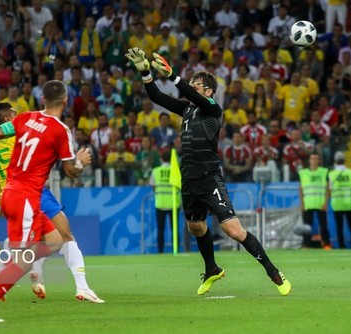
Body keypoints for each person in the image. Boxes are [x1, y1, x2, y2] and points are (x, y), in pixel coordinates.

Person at [125, 47, 291, 296]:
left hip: (209, 177)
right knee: (196, 228)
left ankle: (274, 272)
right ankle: (212, 269)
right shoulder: (187, 110)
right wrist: (146, 72)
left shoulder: (212, 108)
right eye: (191, 83)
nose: (192, 86)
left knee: (233, 230)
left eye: (197, 84)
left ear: (209, 91)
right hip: (189, 178)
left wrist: (173, 76)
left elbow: (194, 96)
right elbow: (158, 98)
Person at [0, 80, 92, 322]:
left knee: (56, 240)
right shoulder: (60, 130)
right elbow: (70, 171)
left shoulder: (25, 118)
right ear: (65, 100)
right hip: (25, 197)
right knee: (24, 262)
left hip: (16, 195)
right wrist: (81, 161)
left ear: (42, 99)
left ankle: (6, 265)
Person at [149, 151, 180, 253]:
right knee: (174, 229)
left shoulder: (156, 171)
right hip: (174, 203)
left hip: (160, 202)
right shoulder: (175, 171)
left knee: (160, 229)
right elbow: (180, 186)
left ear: (161, 159)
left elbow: (152, 185)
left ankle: (160, 251)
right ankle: (176, 250)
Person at [298, 153, 331, 249]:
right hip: (308, 203)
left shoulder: (324, 172)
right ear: (309, 160)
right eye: (312, 159)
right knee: (307, 226)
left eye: (316, 159)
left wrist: (326, 202)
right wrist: (302, 203)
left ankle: (326, 244)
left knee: (323, 225)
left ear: (319, 161)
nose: (314, 161)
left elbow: (327, 188)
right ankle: (306, 244)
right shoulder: (303, 173)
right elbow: (300, 189)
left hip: (320, 203)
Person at [328, 151, 351, 249]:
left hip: (337, 203)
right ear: (345, 160)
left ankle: (341, 246)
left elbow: (329, 188)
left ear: (335, 161)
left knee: (339, 226)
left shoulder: (331, 174)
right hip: (349, 202)